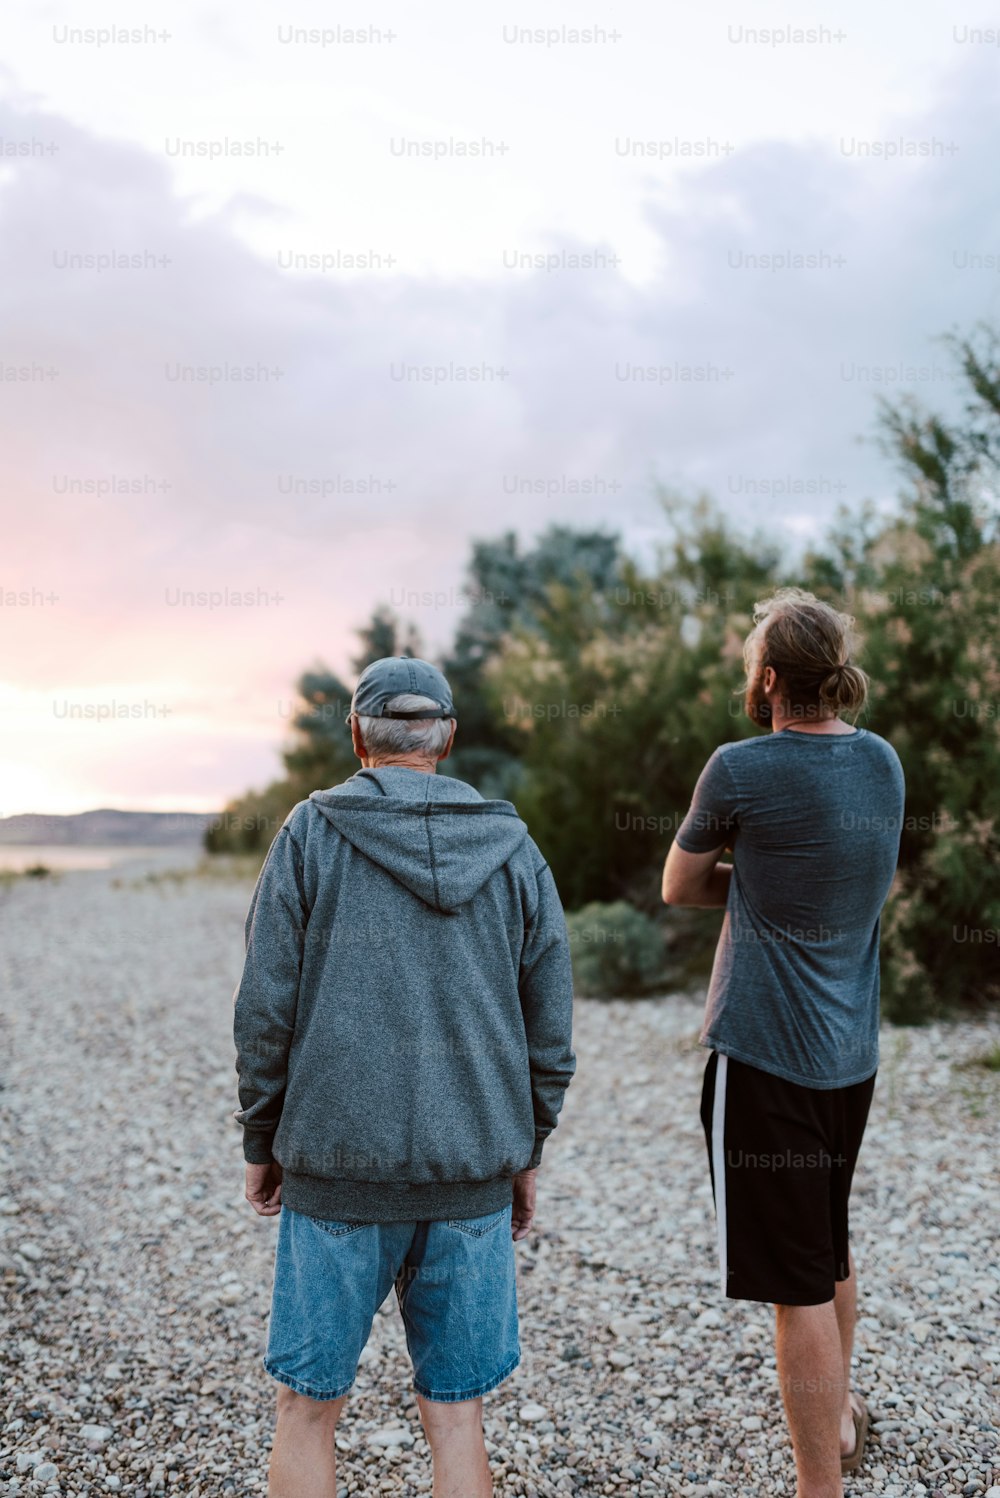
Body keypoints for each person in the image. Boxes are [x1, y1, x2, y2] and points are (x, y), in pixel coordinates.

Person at [233, 656, 576, 1498]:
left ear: (356, 736)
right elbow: (550, 1025)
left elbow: (264, 1011)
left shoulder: (309, 836)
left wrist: (261, 1136)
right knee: (457, 1416)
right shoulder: (515, 848)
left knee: (306, 1410)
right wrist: (526, 1148)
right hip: (470, 1178)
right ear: (448, 738)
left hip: (336, 1175)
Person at [662, 588, 905, 1498]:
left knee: (794, 1284)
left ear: (768, 679)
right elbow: (848, 881)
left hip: (765, 1059)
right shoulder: (884, 765)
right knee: (830, 1242)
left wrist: (752, 877)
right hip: (853, 1058)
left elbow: (678, 886)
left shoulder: (738, 769)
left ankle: (818, 1486)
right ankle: (837, 1421)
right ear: (834, 676)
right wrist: (777, 878)